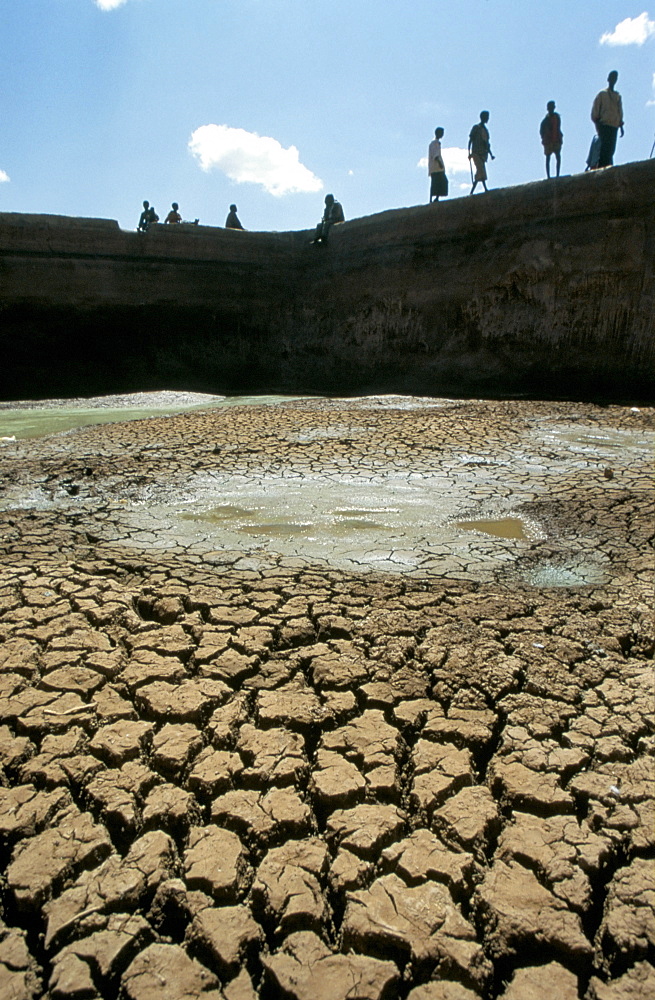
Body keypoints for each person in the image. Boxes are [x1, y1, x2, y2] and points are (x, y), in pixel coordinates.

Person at [591, 70, 624, 169]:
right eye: (612, 77)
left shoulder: (617, 96)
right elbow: (595, 111)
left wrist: (621, 126)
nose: (613, 80)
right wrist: (598, 126)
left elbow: (620, 112)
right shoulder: (602, 94)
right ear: (608, 79)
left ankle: (608, 167)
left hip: (614, 125)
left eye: (615, 78)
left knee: (611, 150)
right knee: (604, 149)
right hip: (604, 125)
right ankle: (602, 168)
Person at [468, 111, 494, 194]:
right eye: (486, 117)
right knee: (481, 170)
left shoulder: (485, 131)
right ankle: (485, 188)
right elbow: (471, 140)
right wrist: (469, 152)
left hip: (483, 154)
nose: (487, 119)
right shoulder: (476, 128)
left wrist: (491, 154)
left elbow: (486, 144)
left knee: (479, 173)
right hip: (476, 153)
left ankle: (471, 192)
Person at [540, 101, 563, 178]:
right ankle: (548, 176)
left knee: (558, 157)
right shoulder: (545, 121)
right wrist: (545, 138)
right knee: (548, 158)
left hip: (556, 140)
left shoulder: (557, 118)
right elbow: (541, 131)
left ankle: (557, 175)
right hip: (548, 142)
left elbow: (558, 128)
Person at [428, 127, 448, 202]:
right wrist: (440, 163)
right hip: (436, 167)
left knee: (437, 183)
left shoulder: (436, 143)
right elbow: (435, 155)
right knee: (436, 183)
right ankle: (432, 198)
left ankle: (436, 198)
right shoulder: (434, 143)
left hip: (436, 168)